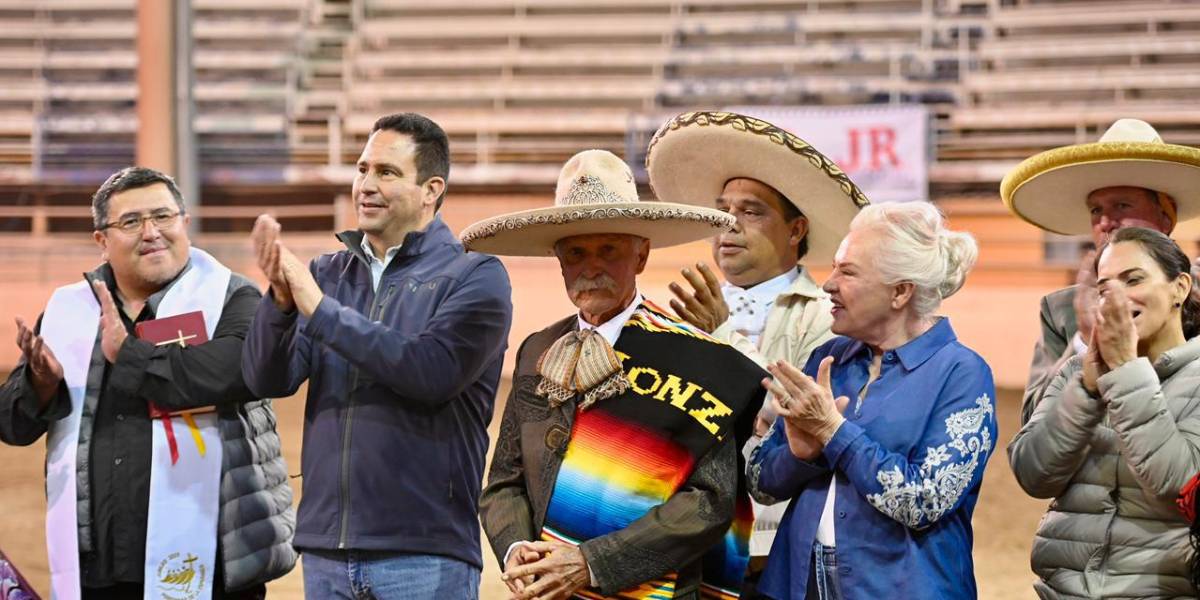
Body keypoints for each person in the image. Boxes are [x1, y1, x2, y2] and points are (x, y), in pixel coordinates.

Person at [469, 149, 767, 599]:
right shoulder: (537, 351)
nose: (591, 266)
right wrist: (516, 550)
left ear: (641, 254)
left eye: (608, 249)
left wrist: (591, 563)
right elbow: (505, 481)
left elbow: (709, 504)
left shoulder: (704, 361)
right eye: (576, 252)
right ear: (560, 260)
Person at [242, 112, 513, 599]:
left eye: (386, 172)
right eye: (362, 169)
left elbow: (430, 371)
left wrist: (320, 309)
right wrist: (280, 304)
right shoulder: (328, 274)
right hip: (326, 552)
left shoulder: (477, 275)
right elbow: (266, 379)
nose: (365, 184)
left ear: (431, 189)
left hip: (425, 553)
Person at [0, 167, 295, 598]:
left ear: (185, 223)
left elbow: (234, 372)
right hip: (99, 567)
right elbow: (12, 426)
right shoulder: (69, 309)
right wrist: (40, 384)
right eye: (131, 222)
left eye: (163, 217)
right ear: (101, 240)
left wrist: (130, 354)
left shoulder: (231, 296)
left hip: (212, 567)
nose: (151, 232)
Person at [646, 111, 868, 595]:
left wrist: (720, 331)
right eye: (723, 210)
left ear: (796, 230)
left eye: (751, 211)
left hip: (776, 548)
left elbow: (798, 415)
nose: (729, 225)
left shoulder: (827, 316)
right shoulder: (687, 311)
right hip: (687, 539)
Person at [749, 202, 996, 599]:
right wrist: (799, 455)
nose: (828, 284)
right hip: (798, 582)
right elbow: (761, 482)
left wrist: (833, 432)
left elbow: (923, 501)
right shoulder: (828, 357)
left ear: (900, 292)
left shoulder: (962, 373)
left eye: (847, 271)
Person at [1009, 226, 1200, 599]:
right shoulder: (1078, 372)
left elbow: (1180, 487)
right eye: (1104, 288)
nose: (1116, 299)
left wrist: (1127, 371)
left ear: (1180, 288)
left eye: (1133, 279)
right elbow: (1032, 474)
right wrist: (1085, 391)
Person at [1000, 118, 1200, 423]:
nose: (1106, 221)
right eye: (1096, 210)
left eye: (1122, 205)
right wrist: (1082, 341)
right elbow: (1033, 420)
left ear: (1165, 215)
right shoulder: (1060, 311)